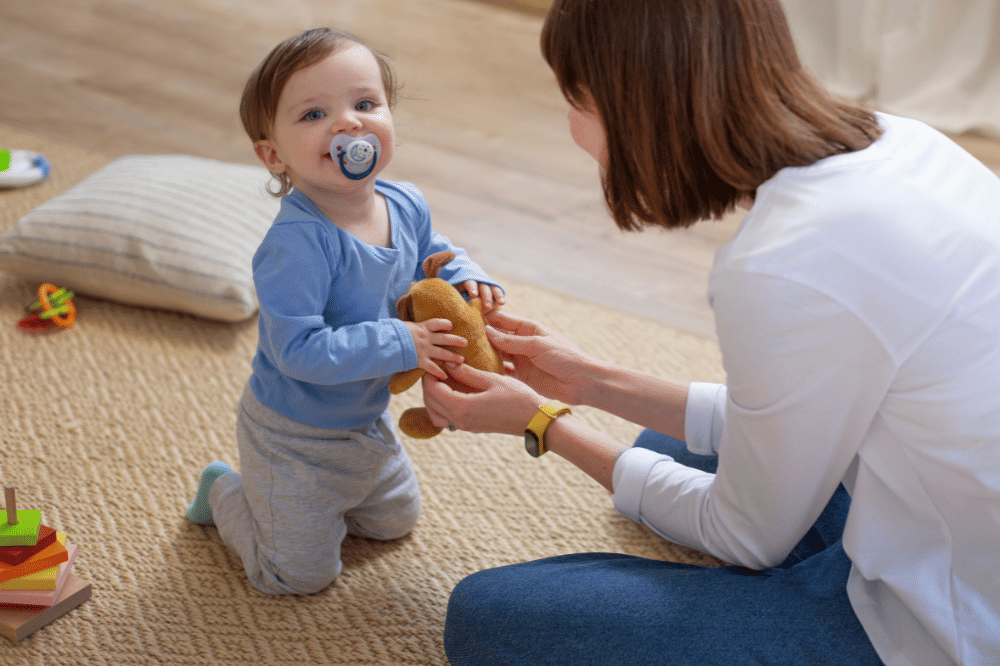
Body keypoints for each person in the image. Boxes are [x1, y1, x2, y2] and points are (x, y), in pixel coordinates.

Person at [422, 0, 1000, 664]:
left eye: (577, 101)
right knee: (667, 445)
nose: (573, 128)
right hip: (954, 522)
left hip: (951, 627)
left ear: (635, 104)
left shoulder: (782, 266)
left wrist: (546, 422)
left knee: (489, 616)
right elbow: (825, 404)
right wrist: (590, 381)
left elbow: (746, 537)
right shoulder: (904, 141)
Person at [184, 28, 504, 596]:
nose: (349, 125)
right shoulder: (296, 246)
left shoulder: (404, 201)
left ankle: (312, 506)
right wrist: (402, 343)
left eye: (365, 104)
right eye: (314, 114)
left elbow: (434, 253)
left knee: (394, 523)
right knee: (297, 576)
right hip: (295, 435)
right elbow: (297, 351)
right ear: (273, 155)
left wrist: (467, 277)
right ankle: (228, 492)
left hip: (366, 419)